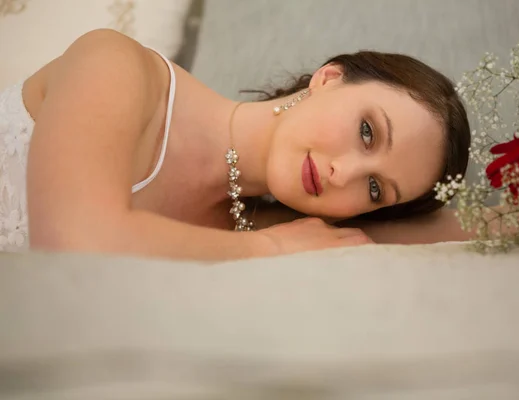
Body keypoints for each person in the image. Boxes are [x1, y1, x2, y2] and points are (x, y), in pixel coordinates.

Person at [0, 29, 471, 259]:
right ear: (329, 78)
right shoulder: (118, 65)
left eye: (375, 190)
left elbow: (435, 231)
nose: (343, 174)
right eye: (367, 131)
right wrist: (270, 250)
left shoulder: (251, 223)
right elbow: (71, 247)